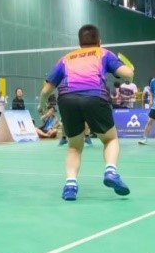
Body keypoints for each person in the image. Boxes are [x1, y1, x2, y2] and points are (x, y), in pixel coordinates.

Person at [39, 23, 134, 201]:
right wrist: (131, 71)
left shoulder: (66, 58)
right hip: (95, 96)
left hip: (67, 99)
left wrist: (41, 105)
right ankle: (111, 172)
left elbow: (46, 90)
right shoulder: (103, 53)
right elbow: (127, 74)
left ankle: (70, 186)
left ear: (79, 42)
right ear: (99, 41)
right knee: (110, 139)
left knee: (74, 147)